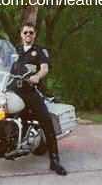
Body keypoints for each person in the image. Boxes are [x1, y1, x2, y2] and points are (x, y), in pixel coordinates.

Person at [12, 22, 67, 176]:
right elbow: (2, 64)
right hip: (12, 90)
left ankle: (55, 160)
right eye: (25, 33)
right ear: (21, 34)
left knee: (46, 121)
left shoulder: (40, 51)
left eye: (31, 32)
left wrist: (37, 76)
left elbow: (44, 68)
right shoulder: (14, 50)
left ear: (34, 35)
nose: (28, 35)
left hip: (30, 91)